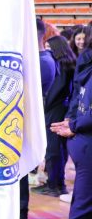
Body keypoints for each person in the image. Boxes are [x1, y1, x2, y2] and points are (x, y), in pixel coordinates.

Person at [52, 24, 92, 219]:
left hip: (81, 140)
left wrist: (72, 122)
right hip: (87, 139)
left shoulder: (86, 60)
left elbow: (77, 98)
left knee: (84, 204)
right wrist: (74, 124)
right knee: (85, 207)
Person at [18, 19, 56, 219]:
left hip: (27, 122)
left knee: (21, 171)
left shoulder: (42, 62)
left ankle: (21, 218)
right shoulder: (39, 59)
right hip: (24, 120)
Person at [34, 28, 76, 197]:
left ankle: (54, 185)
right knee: (59, 150)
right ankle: (57, 183)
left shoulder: (61, 67)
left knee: (53, 150)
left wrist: (43, 107)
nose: (47, 52)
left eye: (50, 48)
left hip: (54, 111)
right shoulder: (69, 64)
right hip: (61, 109)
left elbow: (53, 93)